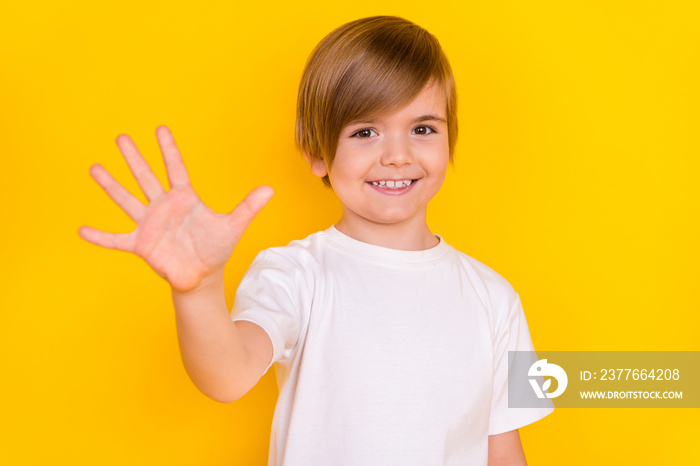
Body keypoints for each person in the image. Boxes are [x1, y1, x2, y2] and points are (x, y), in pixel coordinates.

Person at [79, 15, 553, 466]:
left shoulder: (495, 297)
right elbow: (228, 377)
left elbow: (504, 451)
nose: (397, 155)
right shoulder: (294, 274)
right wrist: (198, 290)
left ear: (450, 141)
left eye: (423, 129)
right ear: (316, 152)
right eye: (365, 131)